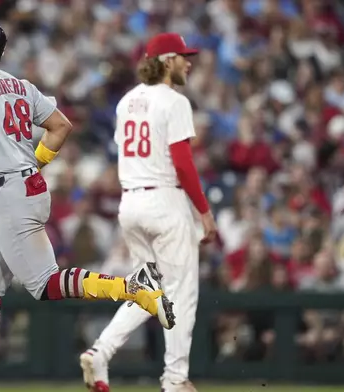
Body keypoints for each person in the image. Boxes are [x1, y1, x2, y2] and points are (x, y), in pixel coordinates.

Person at [0, 16, 174, 392]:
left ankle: (131, 287)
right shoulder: (19, 84)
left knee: (46, 284)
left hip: (8, 195)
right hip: (16, 189)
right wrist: (34, 163)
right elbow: (61, 126)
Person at [79, 33, 218, 392]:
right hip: (164, 201)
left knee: (150, 288)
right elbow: (183, 164)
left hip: (132, 203)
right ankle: (175, 379)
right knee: (181, 291)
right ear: (166, 60)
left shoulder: (127, 101)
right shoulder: (174, 101)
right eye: (183, 57)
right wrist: (203, 210)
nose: (189, 62)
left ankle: (102, 350)